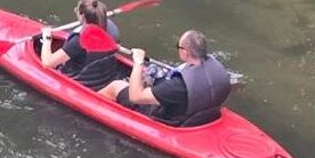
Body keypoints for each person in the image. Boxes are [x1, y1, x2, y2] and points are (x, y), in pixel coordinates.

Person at [98, 29, 230, 127]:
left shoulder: (176, 87)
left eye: (178, 47)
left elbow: (135, 97)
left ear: (185, 52)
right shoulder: (217, 68)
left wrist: (138, 62)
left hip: (173, 119)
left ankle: (92, 105)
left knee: (116, 86)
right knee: (151, 77)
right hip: (202, 114)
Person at [39, 0, 121, 90]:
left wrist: (47, 38)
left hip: (84, 82)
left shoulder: (79, 40)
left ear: (82, 16)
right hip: (103, 77)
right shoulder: (113, 29)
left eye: (77, 9)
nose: (75, 10)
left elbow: (47, 63)